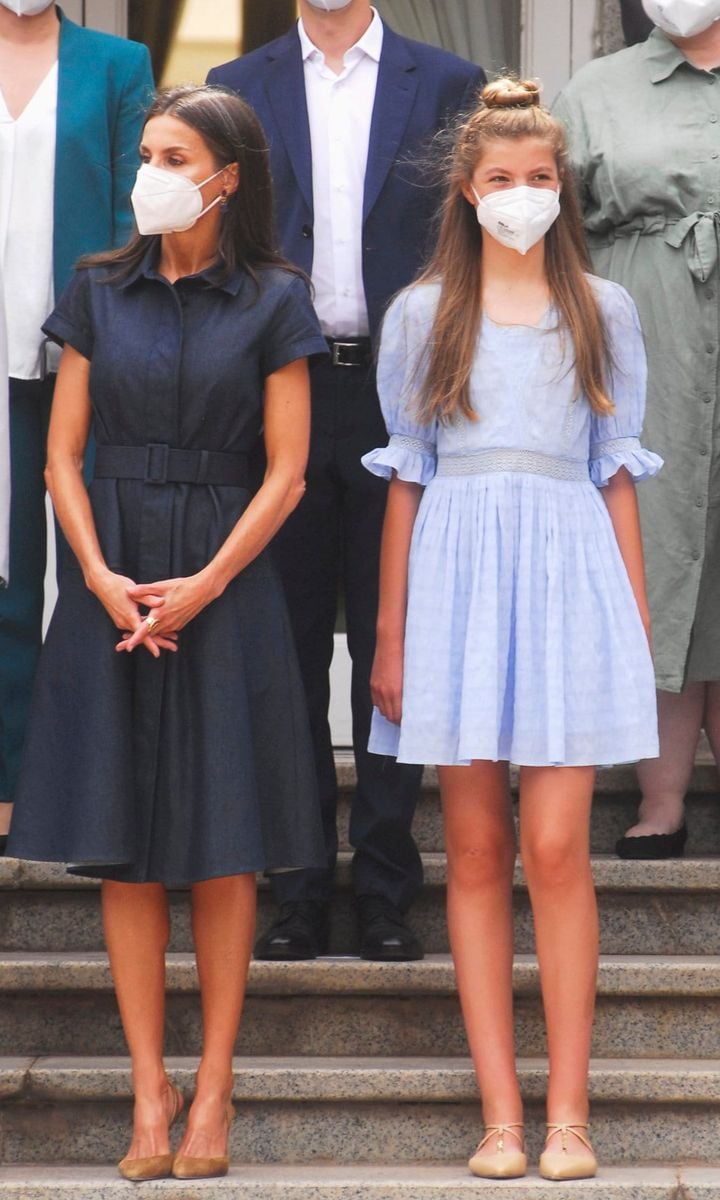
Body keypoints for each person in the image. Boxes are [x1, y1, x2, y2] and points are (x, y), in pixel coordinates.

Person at [7, 84, 327, 1182]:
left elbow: (287, 469)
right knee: (125, 854)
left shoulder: (278, 299)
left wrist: (205, 584)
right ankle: (151, 1092)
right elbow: (60, 453)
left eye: (173, 153)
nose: (150, 168)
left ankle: (215, 1087)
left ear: (225, 178)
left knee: (224, 848)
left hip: (224, 579)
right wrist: (97, 576)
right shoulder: (99, 290)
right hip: (113, 577)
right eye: (146, 150)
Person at [364, 78, 660, 1181]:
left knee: (554, 849)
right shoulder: (419, 314)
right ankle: (501, 1111)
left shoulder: (604, 309)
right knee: (478, 848)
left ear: (562, 189)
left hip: (569, 577)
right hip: (456, 586)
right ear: (467, 190)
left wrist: (629, 621)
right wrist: (391, 636)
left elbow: (617, 477)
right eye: (502, 180)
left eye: (540, 180)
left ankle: (570, 1110)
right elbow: (405, 479)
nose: (521, 196)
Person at [207, 0, 484, 963]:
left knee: (390, 642)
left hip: (400, 386)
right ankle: (294, 884)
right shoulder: (238, 88)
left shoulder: (448, 84)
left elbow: (471, 240)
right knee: (279, 644)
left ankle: (384, 885)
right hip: (276, 388)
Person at [555, 0, 720, 858]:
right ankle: (662, 799)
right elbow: (559, 228)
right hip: (645, 334)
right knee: (652, 548)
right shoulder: (596, 87)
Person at [0, 0, 153, 855]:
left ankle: (93, 789)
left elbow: (139, 211)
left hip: (82, 360)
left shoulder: (117, 63)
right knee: (8, 588)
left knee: (97, 576)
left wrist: (117, 333)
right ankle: (8, 785)